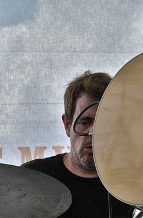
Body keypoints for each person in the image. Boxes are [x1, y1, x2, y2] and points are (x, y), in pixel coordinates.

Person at [22, 70, 136, 218]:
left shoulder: (134, 185)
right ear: (68, 125)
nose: (94, 132)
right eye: (85, 122)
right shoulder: (31, 178)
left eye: (104, 122)